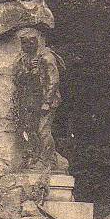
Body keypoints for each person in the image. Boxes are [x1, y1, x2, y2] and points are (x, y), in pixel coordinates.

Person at [15, 27, 64, 168]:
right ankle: (35, 157)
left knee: (43, 131)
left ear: (35, 43)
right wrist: (28, 69)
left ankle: (48, 161)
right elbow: (18, 80)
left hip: (44, 101)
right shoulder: (24, 59)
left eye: (29, 43)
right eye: (23, 44)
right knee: (30, 130)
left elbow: (53, 81)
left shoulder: (47, 57)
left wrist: (47, 102)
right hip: (30, 101)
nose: (26, 46)